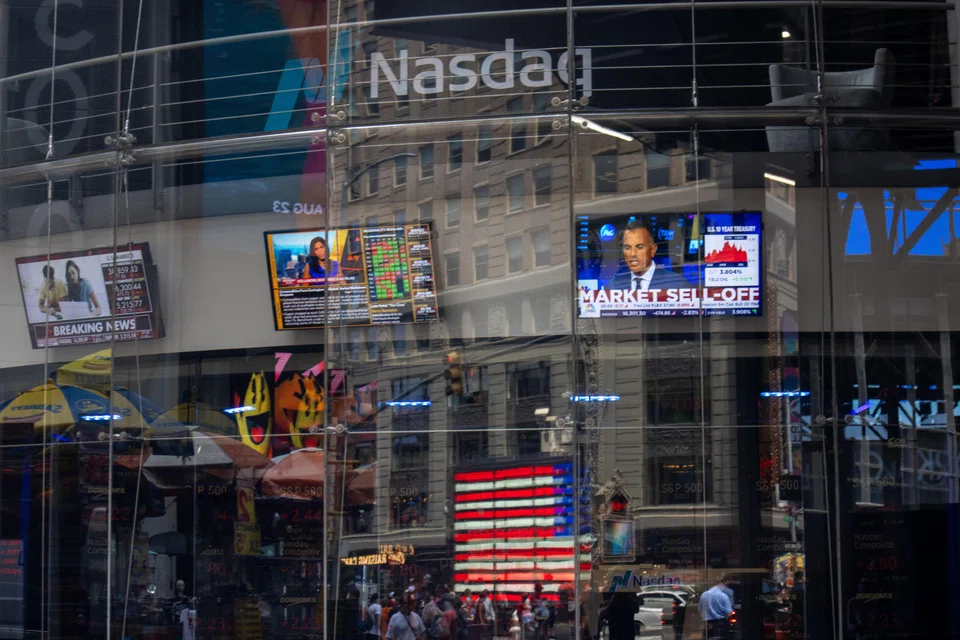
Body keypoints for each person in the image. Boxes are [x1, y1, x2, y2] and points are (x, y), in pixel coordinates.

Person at [603, 220, 691, 291]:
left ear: (653, 250)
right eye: (627, 247)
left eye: (639, 247)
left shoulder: (678, 285)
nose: (632, 253)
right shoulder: (612, 287)